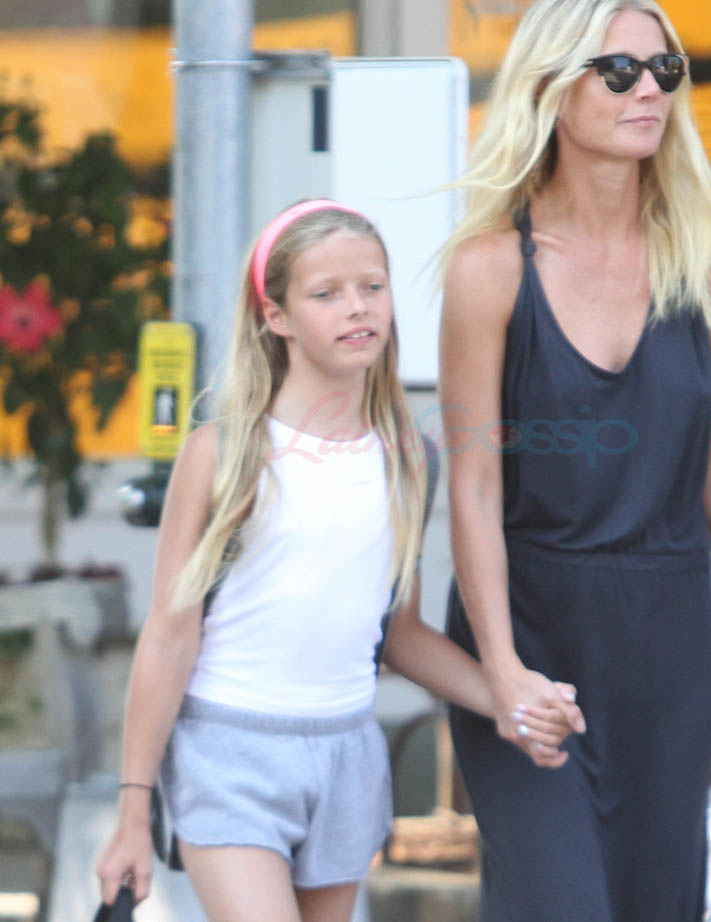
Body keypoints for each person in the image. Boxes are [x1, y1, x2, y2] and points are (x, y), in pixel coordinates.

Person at [95, 199, 584, 922]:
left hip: (347, 754)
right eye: (326, 293)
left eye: (372, 287)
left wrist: (510, 702)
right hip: (227, 753)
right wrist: (134, 811)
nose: (357, 307)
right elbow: (168, 639)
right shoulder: (224, 453)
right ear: (276, 316)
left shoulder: (409, 459)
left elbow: (399, 635)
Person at [439, 0, 711, 922]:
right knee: (558, 903)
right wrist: (501, 671)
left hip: (665, 644)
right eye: (619, 70)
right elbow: (472, 487)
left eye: (664, 69)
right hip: (529, 633)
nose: (648, 90)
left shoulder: (707, 257)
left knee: (652, 905)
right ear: (550, 89)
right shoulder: (489, 269)